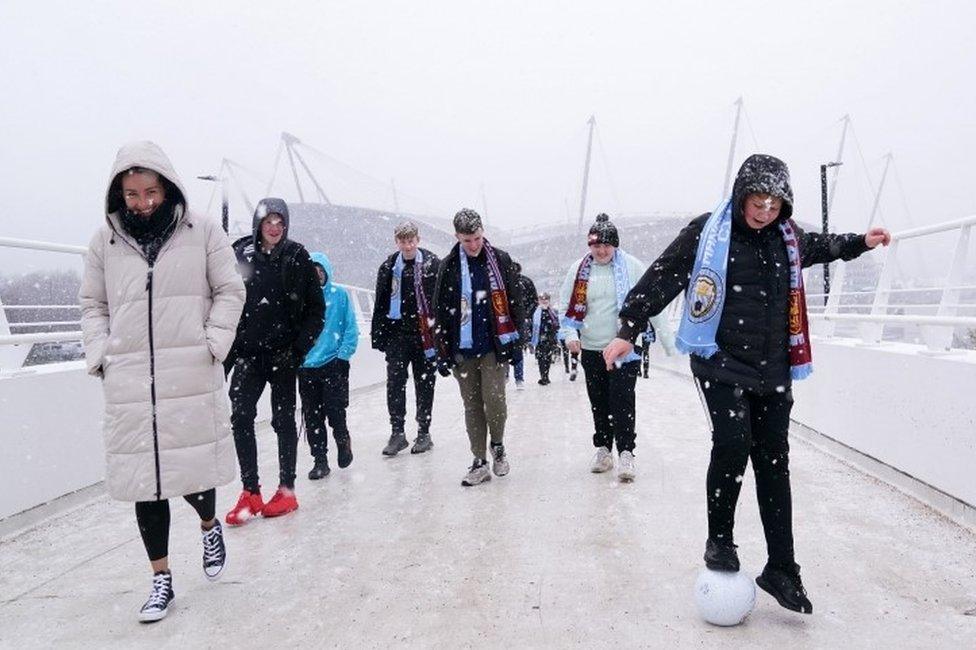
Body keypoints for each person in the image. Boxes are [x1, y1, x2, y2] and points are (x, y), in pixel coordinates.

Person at [605, 154, 891, 615]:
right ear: (741, 196)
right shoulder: (708, 231)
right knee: (734, 443)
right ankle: (720, 540)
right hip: (720, 361)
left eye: (774, 204)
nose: (764, 211)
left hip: (774, 367)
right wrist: (627, 329)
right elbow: (663, 276)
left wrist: (860, 242)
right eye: (756, 201)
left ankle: (782, 567)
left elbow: (819, 246)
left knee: (774, 461)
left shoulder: (787, 237)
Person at [80, 141, 245, 622]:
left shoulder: (203, 233)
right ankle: (161, 580)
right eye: (131, 194)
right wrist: (101, 352)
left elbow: (230, 290)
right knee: (145, 485)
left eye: (150, 191)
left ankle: (209, 525)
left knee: (194, 471)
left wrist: (212, 343)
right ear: (118, 194)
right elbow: (93, 304)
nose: (143, 203)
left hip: (188, 371)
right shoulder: (103, 243)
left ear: (168, 187)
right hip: (130, 377)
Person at [224, 198, 325, 524]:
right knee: (240, 416)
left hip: (284, 354)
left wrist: (298, 350)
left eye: (280, 223)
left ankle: (286, 490)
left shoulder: (297, 257)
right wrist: (226, 353)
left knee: (283, 420)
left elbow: (315, 310)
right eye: (269, 221)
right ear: (258, 223)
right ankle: (250, 491)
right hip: (248, 354)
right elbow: (222, 300)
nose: (274, 228)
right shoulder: (240, 254)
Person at [559, 213, 671, 482]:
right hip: (592, 348)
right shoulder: (578, 270)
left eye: (607, 245)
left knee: (622, 400)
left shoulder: (632, 267)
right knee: (599, 401)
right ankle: (603, 449)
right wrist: (570, 333)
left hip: (624, 349)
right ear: (590, 246)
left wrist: (668, 341)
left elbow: (650, 303)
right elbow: (566, 306)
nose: (601, 251)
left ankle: (626, 452)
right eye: (596, 245)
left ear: (616, 245)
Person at [434, 208, 523, 486]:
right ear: (457, 237)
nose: (473, 245)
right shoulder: (448, 266)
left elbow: (515, 301)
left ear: (483, 232)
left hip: (493, 345)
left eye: (476, 238)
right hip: (462, 347)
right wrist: (442, 350)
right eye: (466, 240)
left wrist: (516, 341)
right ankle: (479, 460)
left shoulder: (500, 261)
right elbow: (440, 309)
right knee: (472, 405)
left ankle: (497, 445)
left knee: (494, 400)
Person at [371, 221, 441, 456]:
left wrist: (441, 334)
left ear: (418, 240)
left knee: (425, 383)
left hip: (424, 335)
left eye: (411, 240)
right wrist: (379, 335)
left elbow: (442, 301)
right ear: (397, 242)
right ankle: (397, 432)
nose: (408, 245)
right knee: (395, 384)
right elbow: (381, 300)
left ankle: (424, 431)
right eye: (403, 241)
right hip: (397, 333)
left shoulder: (432, 263)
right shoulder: (389, 266)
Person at [299, 251, 358, 479]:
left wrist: (343, 357)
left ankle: (342, 441)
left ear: (327, 273)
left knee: (335, 410)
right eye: (312, 273)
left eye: (320, 272)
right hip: (306, 367)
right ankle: (320, 459)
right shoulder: (301, 299)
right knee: (312, 416)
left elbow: (351, 329)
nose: (317, 277)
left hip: (333, 363)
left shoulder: (339, 296)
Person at [509, 262, 537, 390]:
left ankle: (517, 377)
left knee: (515, 348)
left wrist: (526, 315)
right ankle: (514, 377)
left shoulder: (525, 282)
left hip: (518, 320)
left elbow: (534, 301)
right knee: (514, 348)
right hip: (510, 320)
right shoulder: (504, 282)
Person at [529, 292, 559, 385]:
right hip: (539, 338)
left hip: (550, 338)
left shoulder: (552, 312)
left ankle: (546, 375)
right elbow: (531, 326)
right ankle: (543, 376)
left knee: (548, 358)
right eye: (542, 299)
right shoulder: (535, 312)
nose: (544, 301)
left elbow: (556, 325)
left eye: (546, 299)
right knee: (541, 358)